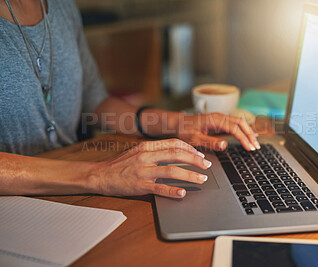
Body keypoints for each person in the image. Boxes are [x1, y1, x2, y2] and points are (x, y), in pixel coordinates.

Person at [0, 0, 259, 198]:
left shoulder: (61, 6)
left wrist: (179, 122)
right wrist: (99, 175)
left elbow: (96, 101)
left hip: (71, 181)